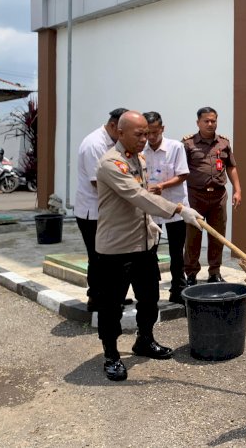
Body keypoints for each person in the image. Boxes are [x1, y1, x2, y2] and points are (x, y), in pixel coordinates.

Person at [95, 111, 204, 382]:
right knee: (111, 305)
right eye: (139, 134)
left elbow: (141, 204)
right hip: (116, 248)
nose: (145, 139)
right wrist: (179, 209)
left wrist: (151, 225)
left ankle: (144, 340)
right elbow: (138, 195)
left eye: (147, 133)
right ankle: (111, 355)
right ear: (120, 134)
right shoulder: (112, 163)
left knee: (149, 297)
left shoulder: (138, 159)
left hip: (143, 243)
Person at [74, 108, 128, 311]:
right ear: (114, 126)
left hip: (108, 211)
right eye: (122, 131)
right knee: (98, 258)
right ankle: (96, 299)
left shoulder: (114, 142)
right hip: (93, 212)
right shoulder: (94, 145)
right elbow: (99, 183)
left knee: (112, 258)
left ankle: (113, 296)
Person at [183, 107, 242, 284]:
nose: (210, 124)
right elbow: (180, 170)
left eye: (213, 121)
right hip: (195, 196)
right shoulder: (188, 144)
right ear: (198, 123)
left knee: (217, 236)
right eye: (206, 121)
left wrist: (238, 190)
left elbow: (231, 167)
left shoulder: (223, 143)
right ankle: (191, 273)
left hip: (218, 196)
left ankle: (214, 272)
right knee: (193, 236)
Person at [143, 111, 190, 304]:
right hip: (151, 208)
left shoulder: (176, 147)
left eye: (155, 132)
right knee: (149, 249)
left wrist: (162, 186)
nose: (151, 137)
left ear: (162, 129)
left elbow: (183, 174)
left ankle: (178, 289)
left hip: (174, 206)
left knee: (176, 251)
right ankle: (150, 288)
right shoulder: (141, 149)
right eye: (147, 133)